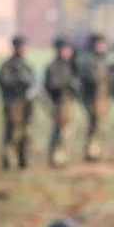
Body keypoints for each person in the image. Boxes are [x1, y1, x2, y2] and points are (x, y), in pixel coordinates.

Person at [0, 35, 37, 171]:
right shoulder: (7, 66)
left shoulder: (26, 66)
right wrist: (19, 82)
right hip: (13, 104)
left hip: (26, 104)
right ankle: (8, 161)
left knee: (26, 133)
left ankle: (23, 161)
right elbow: (5, 83)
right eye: (20, 47)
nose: (23, 49)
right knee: (12, 133)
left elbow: (33, 83)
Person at [44, 37, 81, 168]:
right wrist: (67, 85)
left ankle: (63, 156)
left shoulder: (70, 65)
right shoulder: (54, 66)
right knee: (60, 131)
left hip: (70, 101)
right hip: (60, 102)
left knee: (69, 131)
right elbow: (52, 85)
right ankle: (57, 157)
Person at [79, 33, 111, 162]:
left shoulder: (102, 60)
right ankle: (91, 152)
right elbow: (91, 79)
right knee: (94, 125)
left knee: (101, 125)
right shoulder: (88, 61)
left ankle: (97, 151)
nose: (102, 47)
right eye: (100, 44)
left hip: (102, 98)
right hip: (93, 98)